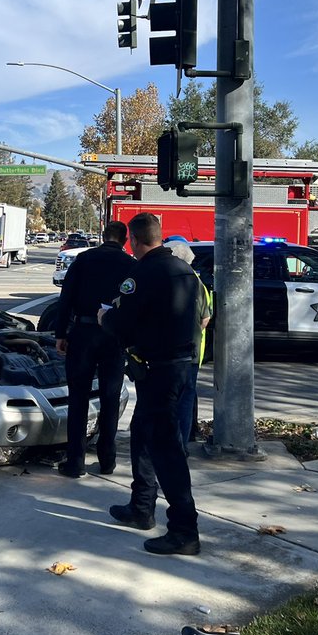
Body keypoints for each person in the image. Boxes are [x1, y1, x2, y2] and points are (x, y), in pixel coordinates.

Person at [100, 212, 201, 556]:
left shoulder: (144, 272)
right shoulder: (185, 270)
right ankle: (142, 507)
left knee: (166, 450)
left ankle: (184, 530)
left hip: (159, 371)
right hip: (182, 367)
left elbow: (122, 323)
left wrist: (105, 317)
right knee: (144, 436)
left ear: (135, 241)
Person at [53, 220, 136, 477]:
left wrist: (60, 334)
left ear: (103, 236)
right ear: (124, 240)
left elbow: (65, 298)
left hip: (83, 334)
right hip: (114, 337)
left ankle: (75, 461)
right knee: (110, 398)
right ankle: (107, 459)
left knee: (78, 398)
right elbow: (135, 305)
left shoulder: (83, 260)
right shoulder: (131, 265)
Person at [162, 239, 211, 454]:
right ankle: (181, 445)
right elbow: (205, 318)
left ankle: (169, 443)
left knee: (167, 400)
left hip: (169, 353)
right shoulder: (197, 283)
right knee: (185, 398)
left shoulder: (166, 281)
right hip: (192, 352)